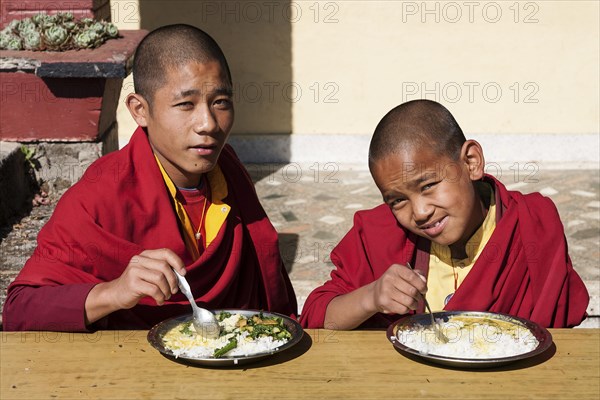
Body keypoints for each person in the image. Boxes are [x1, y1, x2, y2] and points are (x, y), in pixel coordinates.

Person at [3, 24, 297, 331]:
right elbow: (21, 309)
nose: (208, 123)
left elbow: (269, 293)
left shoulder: (229, 171)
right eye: (186, 104)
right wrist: (114, 292)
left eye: (220, 102)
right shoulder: (100, 195)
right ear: (140, 110)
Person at [300, 99, 589, 330]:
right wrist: (371, 297)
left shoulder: (530, 224)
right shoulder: (380, 233)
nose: (421, 212)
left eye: (428, 186)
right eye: (398, 200)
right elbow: (318, 316)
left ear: (471, 162)